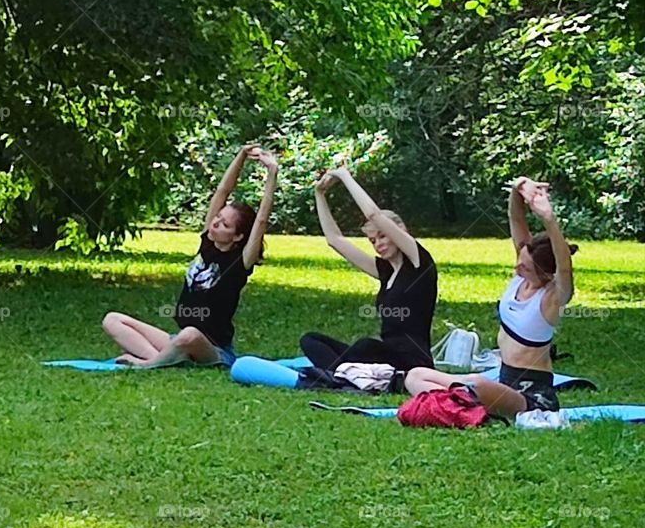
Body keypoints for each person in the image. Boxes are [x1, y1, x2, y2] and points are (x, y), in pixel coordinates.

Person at [404, 177, 576, 418]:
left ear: (546, 274)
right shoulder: (521, 278)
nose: (517, 268)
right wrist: (518, 189)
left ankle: (455, 405)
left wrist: (548, 218)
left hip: (532, 396)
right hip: (503, 383)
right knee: (416, 375)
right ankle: (458, 405)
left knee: (475, 383)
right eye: (519, 261)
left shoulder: (551, 298)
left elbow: (564, 267)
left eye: (525, 267)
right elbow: (516, 219)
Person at [102, 145, 278, 367]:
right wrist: (241, 156)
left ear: (237, 236)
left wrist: (272, 173)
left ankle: (148, 364)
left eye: (224, 224)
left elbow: (261, 219)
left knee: (191, 334)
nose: (216, 222)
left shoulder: (240, 263)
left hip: (213, 349)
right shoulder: (208, 243)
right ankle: (162, 359)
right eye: (218, 217)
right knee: (113, 319)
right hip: (178, 340)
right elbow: (222, 192)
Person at [300, 164, 438, 377]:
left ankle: (345, 373)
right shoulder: (385, 270)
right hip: (385, 357)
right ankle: (346, 374)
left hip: (412, 362)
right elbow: (334, 240)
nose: (378, 244)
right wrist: (320, 193)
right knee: (310, 340)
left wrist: (345, 177)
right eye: (373, 240)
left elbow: (373, 214)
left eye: (382, 236)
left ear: (399, 231)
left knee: (364, 346)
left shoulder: (418, 262)